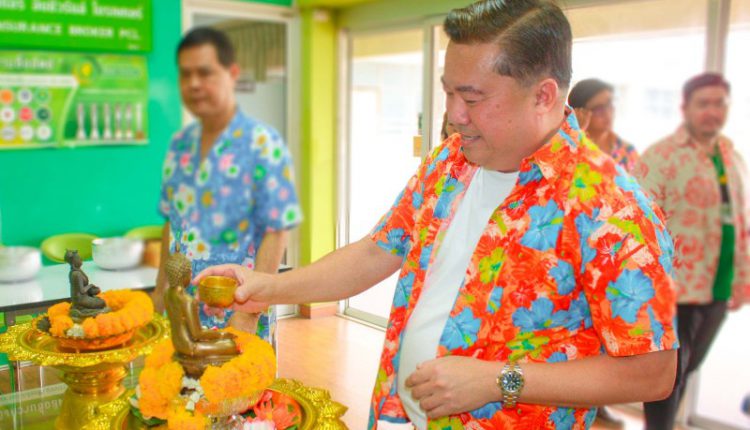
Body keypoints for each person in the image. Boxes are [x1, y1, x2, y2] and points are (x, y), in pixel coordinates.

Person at [197, 1, 678, 428]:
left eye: (472, 98)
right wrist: (268, 288)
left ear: (544, 96)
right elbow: (377, 250)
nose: (454, 115)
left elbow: (653, 372)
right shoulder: (451, 160)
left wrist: (499, 381)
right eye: (449, 93)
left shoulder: (611, 207)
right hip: (404, 414)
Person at [152, 27, 302, 350]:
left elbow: (278, 231)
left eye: (205, 72)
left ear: (231, 74)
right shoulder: (180, 146)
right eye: (186, 74)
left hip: (238, 315)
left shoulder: (262, 144)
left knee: (241, 384)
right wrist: (160, 294)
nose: (194, 83)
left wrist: (248, 315)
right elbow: (171, 226)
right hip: (183, 315)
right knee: (178, 382)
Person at [634, 73, 750, 429]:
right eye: (704, 103)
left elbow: (739, 221)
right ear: (685, 108)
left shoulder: (731, 156)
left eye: (719, 103)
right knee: (666, 378)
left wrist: (742, 279)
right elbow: (636, 226)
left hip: (717, 286)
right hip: (673, 292)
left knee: (686, 370)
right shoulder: (662, 156)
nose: (712, 111)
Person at [569, 79, 639, 173]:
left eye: (610, 104)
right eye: (599, 109)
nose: (608, 114)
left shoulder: (628, 152)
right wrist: (577, 131)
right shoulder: (568, 148)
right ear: (580, 113)